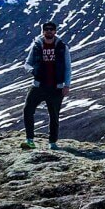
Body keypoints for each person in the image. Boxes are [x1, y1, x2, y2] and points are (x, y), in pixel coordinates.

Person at [22, 20, 71, 150]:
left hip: (56, 87)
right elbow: (27, 63)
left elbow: (68, 67)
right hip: (38, 85)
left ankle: (52, 142)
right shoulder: (37, 45)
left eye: (51, 29)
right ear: (43, 31)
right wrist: (32, 71)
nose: (49, 31)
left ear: (55, 31)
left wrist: (67, 85)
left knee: (54, 115)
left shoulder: (62, 47)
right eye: (46, 29)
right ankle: (29, 140)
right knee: (28, 110)